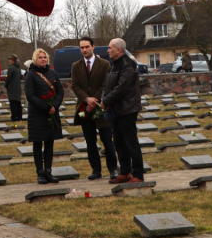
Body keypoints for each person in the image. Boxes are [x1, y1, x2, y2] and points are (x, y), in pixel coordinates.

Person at [70, 37, 117, 180]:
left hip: (102, 108)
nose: (84, 50)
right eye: (82, 48)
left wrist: (94, 100)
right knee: (90, 141)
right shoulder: (76, 66)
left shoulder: (104, 64)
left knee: (107, 140)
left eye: (87, 47)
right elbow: (75, 86)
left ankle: (113, 169)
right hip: (85, 109)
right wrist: (86, 99)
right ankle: (96, 170)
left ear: (93, 47)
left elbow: (106, 84)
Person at [101, 38, 145, 185]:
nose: (108, 50)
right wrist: (104, 99)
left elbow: (121, 87)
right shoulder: (114, 65)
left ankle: (138, 174)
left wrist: (106, 101)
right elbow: (108, 85)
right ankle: (125, 172)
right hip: (116, 109)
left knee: (130, 142)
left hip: (127, 108)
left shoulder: (128, 64)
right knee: (119, 143)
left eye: (110, 48)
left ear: (118, 49)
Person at [24, 48, 63, 185]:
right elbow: (30, 95)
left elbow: (60, 92)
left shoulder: (53, 73)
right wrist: (46, 107)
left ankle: (48, 171)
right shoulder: (31, 75)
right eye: (40, 57)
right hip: (37, 114)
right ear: (35, 59)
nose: (43, 59)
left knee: (49, 143)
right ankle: (40, 173)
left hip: (51, 113)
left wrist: (55, 106)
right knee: (37, 143)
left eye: (45, 57)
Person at [5, 55, 23, 122]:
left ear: (12, 60)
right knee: (18, 103)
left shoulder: (11, 68)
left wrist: (6, 85)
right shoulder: (18, 68)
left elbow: (8, 78)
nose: (9, 61)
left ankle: (14, 117)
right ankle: (19, 117)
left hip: (12, 88)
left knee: (13, 104)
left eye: (10, 59)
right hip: (18, 88)